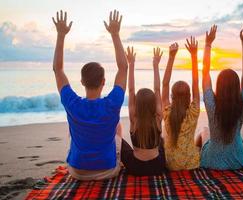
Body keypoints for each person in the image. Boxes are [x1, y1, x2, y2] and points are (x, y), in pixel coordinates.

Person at [51, 10, 128, 180]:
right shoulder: (112, 103)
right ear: (103, 81)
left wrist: (61, 35)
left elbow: (58, 70)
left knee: (73, 126)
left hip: (77, 172)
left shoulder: (72, 103)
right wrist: (115, 34)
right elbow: (123, 69)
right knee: (118, 126)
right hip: (107, 171)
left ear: (82, 81)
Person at [200, 24, 243, 170]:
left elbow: (205, 73)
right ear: (237, 86)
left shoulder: (211, 104)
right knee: (237, 138)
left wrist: (208, 44)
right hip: (238, 160)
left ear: (218, 85)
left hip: (213, 161)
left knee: (204, 132)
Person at [120, 47, 166, 176]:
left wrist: (131, 64)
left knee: (118, 140)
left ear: (137, 104)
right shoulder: (158, 118)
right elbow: (157, 89)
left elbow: (131, 90)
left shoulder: (133, 118)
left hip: (135, 168)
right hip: (158, 167)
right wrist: (156, 65)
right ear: (153, 104)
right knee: (162, 140)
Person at [162, 39, 201, 171]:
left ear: (172, 96)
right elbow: (196, 82)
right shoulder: (193, 112)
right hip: (191, 164)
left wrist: (171, 57)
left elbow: (165, 84)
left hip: (171, 164)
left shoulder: (167, 111)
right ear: (189, 96)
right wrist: (194, 56)